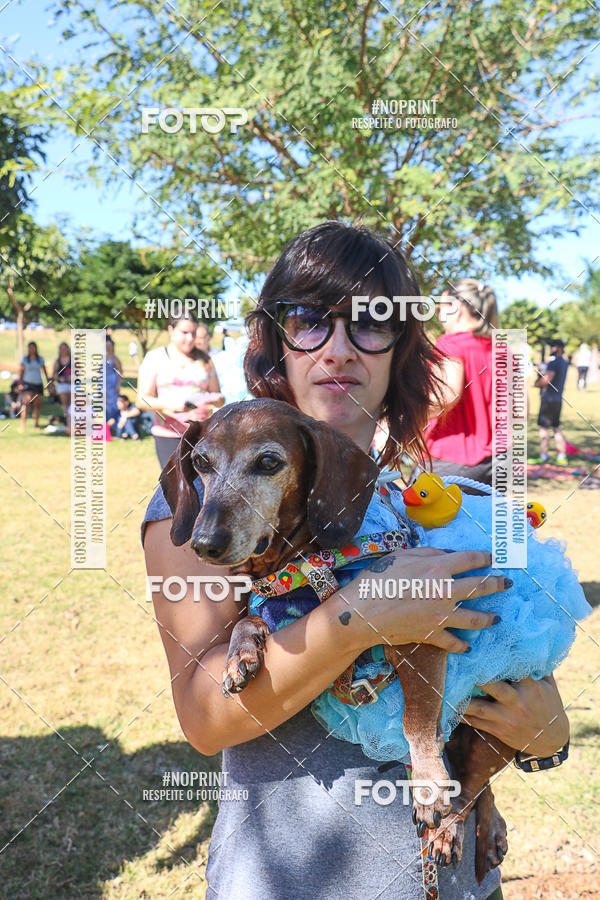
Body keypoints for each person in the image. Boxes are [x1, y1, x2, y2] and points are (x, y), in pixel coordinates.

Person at [142, 223, 571, 900]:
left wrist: (548, 732)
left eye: (372, 323)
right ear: (275, 344)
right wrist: (361, 616)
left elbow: (495, 679)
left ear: (400, 349)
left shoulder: (422, 497)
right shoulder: (203, 505)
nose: (339, 349)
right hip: (296, 883)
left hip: (456, 882)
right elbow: (204, 717)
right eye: (309, 321)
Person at [419, 279, 498, 486]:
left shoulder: (449, 343)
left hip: (449, 461)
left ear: (458, 308)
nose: (437, 313)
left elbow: (446, 396)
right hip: (497, 463)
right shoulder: (503, 350)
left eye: (441, 306)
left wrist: (402, 416)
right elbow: (521, 410)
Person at [136, 310, 225, 467]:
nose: (190, 339)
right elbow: (142, 400)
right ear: (171, 330)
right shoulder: (156, 358)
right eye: (184, 332)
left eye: (193, 333)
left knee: (202, 487)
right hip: (168, 435)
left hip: (201, 436)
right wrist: (169, 405)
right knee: (176, 488)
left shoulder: (205, 359)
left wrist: (216, 399)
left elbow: (219, 397)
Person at [532, 338, 569, 465]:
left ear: (558, 348)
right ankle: (562, 456)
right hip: (558, 399)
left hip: (548, 400)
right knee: (556, 427)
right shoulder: (564, 362)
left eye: (552, 346)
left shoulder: (554, 363)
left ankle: (543, 456)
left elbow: (545, 381)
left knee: (544, 428)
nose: (550, 349)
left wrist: (536, 383)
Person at [18, 341, 49, 431]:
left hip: (38, 384)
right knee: (26, 403)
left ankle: (36, 424)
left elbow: (44, 371)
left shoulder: (40, 359)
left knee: (37, 405)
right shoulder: (25, 359)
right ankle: (23, 424)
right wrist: (20, 383)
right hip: (28, 384)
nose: (31, 349)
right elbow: (21, 371)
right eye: (30, 347)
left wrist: (48, 383)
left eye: (33, 347)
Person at [104, 336, 123, 423]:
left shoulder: (115, 359)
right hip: (103, 384)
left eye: (109, 346)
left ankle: (114, 421)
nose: (108, 348)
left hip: (112, 384)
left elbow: (120, 373)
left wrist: (118, 385)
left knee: (112, 404)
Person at [51, 341, 72, 419]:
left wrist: (72, 377)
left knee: (73, 403)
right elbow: (54, 374)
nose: (63, 350)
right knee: (65, 403)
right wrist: (60, 378)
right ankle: (67, 419)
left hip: (72, 384)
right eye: (62, 348)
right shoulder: (57, 361)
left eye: (64, 348)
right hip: (62, 385)